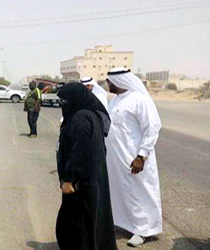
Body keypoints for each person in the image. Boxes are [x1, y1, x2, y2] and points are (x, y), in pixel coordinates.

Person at [55, 82, 117, 250]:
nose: (62, 105)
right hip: (90, 178)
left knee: (77, 221)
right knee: (89, 219)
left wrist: (69, 179)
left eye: (64, 101)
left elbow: (78, 152)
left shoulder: (81, 118)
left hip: (80, 182)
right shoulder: (89, 114)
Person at [105, 68, 162, 247]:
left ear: (120, 81)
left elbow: (152, 129)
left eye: (110, 81)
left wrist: (141, 156)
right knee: (120, 191)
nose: (108, 84)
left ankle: (144, 230)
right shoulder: (115, 101)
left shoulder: (140, 100)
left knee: (139, 193)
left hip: (134, 158)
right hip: (117, 158)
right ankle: (126, 223)